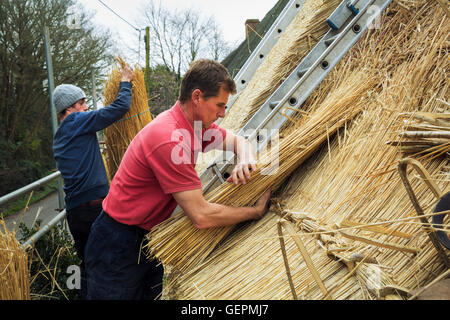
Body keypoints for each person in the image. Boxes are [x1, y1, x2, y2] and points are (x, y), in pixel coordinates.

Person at [85, 59, 271, 300]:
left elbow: (238, 141)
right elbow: (201, 216)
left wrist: (245, 158)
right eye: (220, 105)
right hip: (117, 243)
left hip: (147, 238)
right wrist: (253, 212)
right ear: (197, 97)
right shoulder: (170, 138)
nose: (223, 114)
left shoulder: (194, 127)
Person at [52, 64, 134, 298]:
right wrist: (125, 82)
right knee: (109, 262)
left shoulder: (61, 135)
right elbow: (120, 108)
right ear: (69, 109)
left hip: (76, 212)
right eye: (82, 103)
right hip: (93, 209)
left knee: (88, 265)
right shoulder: (76, 122)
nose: (86, 107)